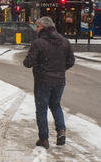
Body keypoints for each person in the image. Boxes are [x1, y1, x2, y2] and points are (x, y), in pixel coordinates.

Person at [23, 16, 75, 149]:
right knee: (56, 105)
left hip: (43, 81)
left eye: (38, 26)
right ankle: (61, 130)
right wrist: (59, 69)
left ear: (44, 27)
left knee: (41, 109)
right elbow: (71, 61)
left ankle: (44, 139)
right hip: (59, 81)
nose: (36, 29)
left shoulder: (38, 43)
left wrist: (37, 64)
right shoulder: (64, 41)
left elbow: (28, 63)